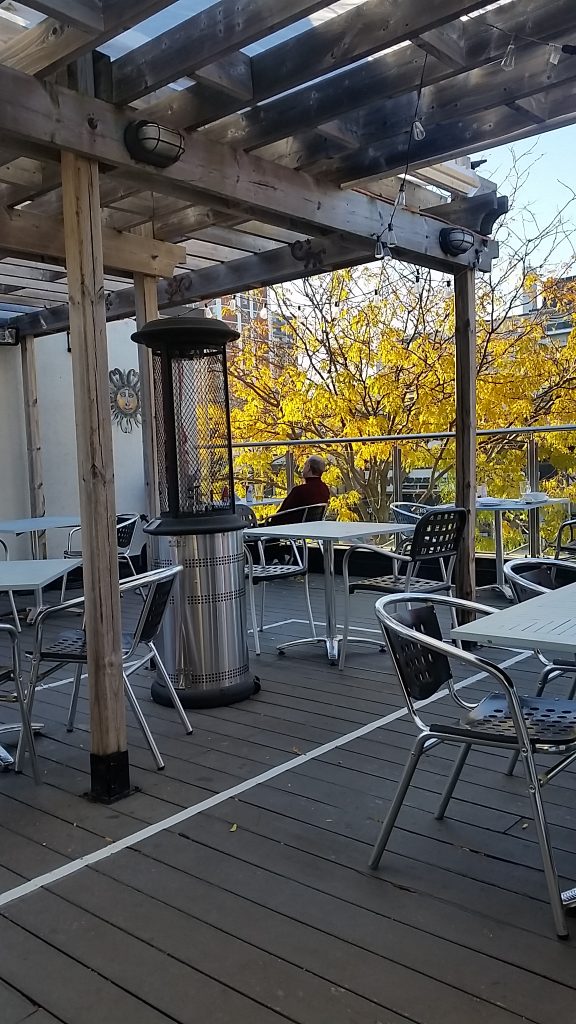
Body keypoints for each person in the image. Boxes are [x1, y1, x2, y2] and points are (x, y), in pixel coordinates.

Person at [274, 456, 330, 520]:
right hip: (313, 524)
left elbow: (280, 515)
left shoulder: (299, 491)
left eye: (305, 465)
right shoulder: (325, 489)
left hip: (292, 525)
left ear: (308, 467)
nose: (303, 468)